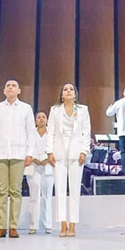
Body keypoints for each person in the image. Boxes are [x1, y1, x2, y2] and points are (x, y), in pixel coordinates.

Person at [0, 79, 37, 239]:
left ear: (19, 90)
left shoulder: (26, 109)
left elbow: (30, 132)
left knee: (16, 191)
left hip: (18, 153)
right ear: (4, 90)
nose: (10, 87)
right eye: (7, 85)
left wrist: (30, 153)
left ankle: (13, 226)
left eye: (14, 85)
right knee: (1, 191)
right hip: (0, 153)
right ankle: (1, 226)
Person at [48, 83, 91, 237]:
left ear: (75, 94)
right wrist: (49, 151)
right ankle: (63, 224)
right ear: (61, 95)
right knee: (59, 190)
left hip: (76, 153)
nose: (68, 91)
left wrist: (84, 151)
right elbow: (50, 131)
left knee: (74, 191)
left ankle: (73, 224)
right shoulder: (55, 110)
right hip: (59, 153)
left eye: (71, 89)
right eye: (65, 89)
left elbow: (86, 132)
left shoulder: (83, 110)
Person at [27, 111, 55, 234]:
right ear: (35, 120)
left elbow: (55, 147)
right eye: (38, 117)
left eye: (44, 117)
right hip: (33, 165)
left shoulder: (52, 133)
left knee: (47, 196)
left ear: (47, 120)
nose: (41, 119)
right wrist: (33, 158)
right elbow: (26, 146)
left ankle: (47, 224)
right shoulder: (30, 133)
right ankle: (33, 225)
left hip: (48, 165)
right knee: (34, 196)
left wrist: (47, 158)